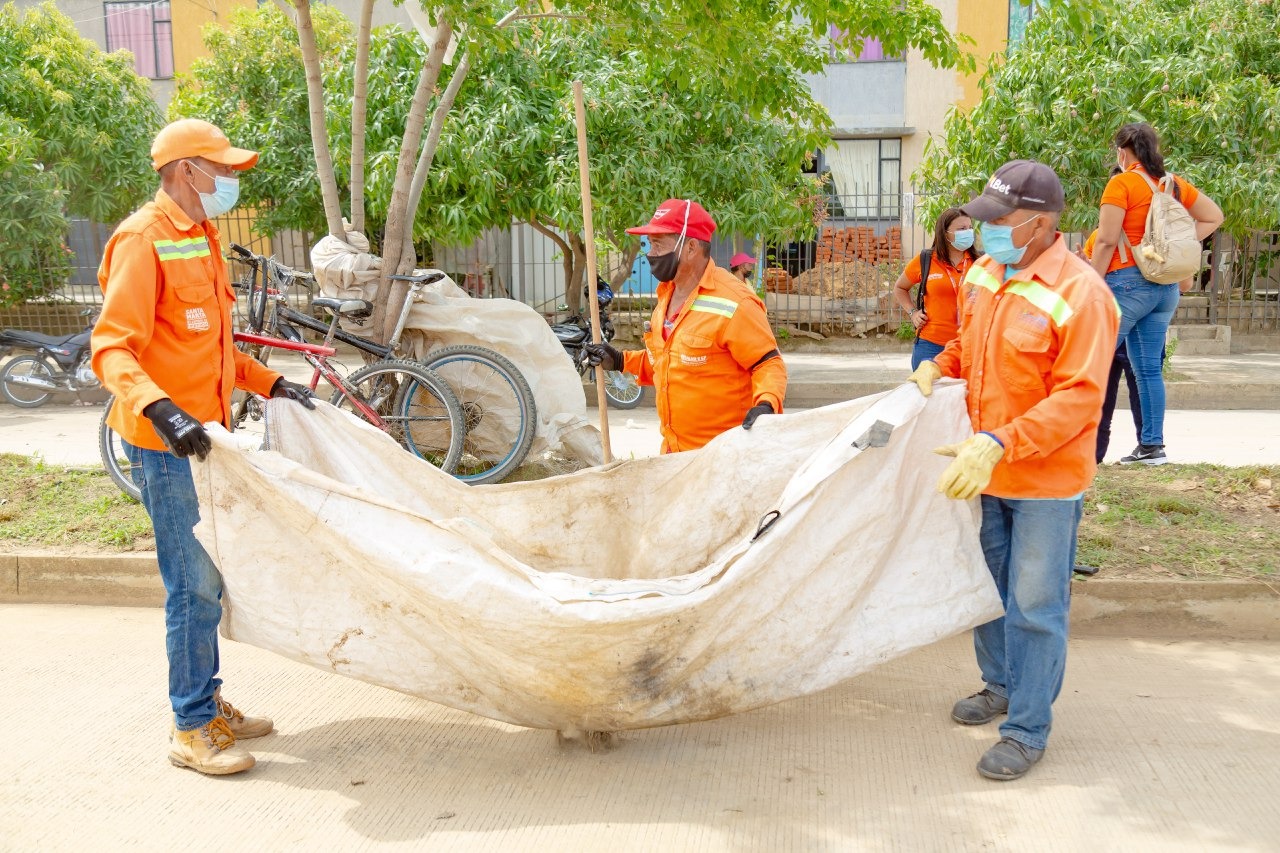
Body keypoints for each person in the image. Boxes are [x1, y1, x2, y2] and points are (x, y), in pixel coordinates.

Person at [91, 119, 317, 776]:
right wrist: (161, 409)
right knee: (191, 585)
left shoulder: (203, 237)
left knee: (211, 578)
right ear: (186, 170)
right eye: (219, 168)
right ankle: (189, 725)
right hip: (166, 445)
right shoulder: (143, 240)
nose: (229, 180)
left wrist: (271, 382)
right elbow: (111, 348)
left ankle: (209, 703)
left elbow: (211, 348)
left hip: (207, 438)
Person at [907, 160, 1118, 781]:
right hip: (986, 469)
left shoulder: (1083, 296)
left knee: (1034, 603)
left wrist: (1002, 441)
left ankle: (1026, 729)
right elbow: (967, 345)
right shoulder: (984, 273)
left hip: (1043, 481)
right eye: (984, 217)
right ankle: (999, 685)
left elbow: (1080, 397)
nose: (986, 228)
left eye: (1000, 221)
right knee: (989, 594)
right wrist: (937, 367)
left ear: (1040, 223)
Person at [584, 199, 786, 452]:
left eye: (659, 244)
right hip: (673, 454)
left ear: (690, 247)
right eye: (650, 244)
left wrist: (766, 405)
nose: (651, 253)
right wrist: (621, 361)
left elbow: (768, 362)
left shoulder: (735, 302)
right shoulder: (667, 295)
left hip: (724, 455)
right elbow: (668, 360)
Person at [1089, 122, 1223, 465]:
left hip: (1127, 285)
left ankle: (1071, 444)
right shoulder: (1173, 185)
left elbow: (1105, 241)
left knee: (1089, 359)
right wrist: (1176, 245)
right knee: (1148, 370)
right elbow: (1214, 217)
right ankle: (1152, 447)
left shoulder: (1121, 184)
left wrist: (1089, 284)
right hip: (1164, 289)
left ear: (1122, 151)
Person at [892, 208, 979, 369]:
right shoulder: (926, 259)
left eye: (970, 228)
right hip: (930, 346)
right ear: (945, 234)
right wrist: (913, 312)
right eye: (961, 229)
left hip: (969, 345)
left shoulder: (980, 262)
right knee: (927, 392)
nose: (968, 232)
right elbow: (899, 288)